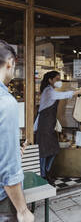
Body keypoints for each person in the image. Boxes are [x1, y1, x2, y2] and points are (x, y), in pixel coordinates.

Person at [0, 40, 34, 222]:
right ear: (10, 63)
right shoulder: (6, 102)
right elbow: (8, 171)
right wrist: (22, 210)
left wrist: (12, 152)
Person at [34, 71, 81, 184]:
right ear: (50, 80)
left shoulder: (51, 90)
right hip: (43, 126)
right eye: (57, 79)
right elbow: (63, 95)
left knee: (53, 150)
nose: (59, 81)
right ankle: (43, 175)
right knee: (44, 152)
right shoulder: (48, 91)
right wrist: (79, 91)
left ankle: (46, 171)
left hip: (49, 125)